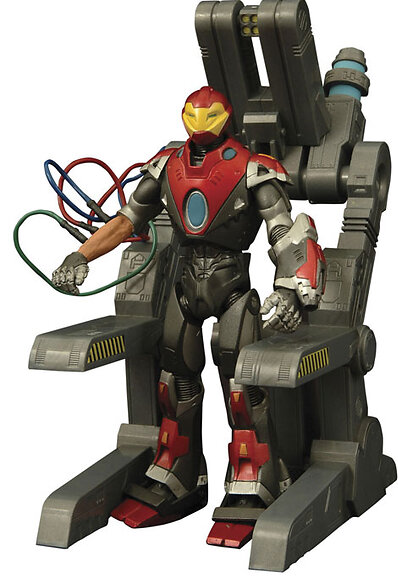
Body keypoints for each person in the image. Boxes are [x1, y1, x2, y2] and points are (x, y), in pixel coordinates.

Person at [52, 86, 326, 546]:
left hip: (232, 288)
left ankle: (254, 476)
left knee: (242, 385)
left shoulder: (253, 167)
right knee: (173, 381)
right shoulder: (166, 165)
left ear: (225, 117)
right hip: (183, 288)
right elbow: (127, 220)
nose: (201, 124)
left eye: (210, 115)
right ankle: (178, 470)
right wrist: (81, 256)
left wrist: (289, 290)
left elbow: (286, 232)